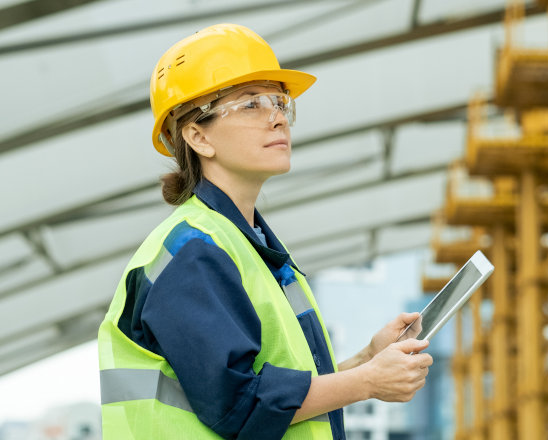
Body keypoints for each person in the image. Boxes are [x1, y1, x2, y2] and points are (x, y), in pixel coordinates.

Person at [97, 23, 433, 440]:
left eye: (279, 101)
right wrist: (367, 381)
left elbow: (282, 393)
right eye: (251, 104)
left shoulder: (247, 244)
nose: (277, 118)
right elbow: (242, 405)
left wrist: (368, 359)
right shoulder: (192, 252)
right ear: (198, 136)